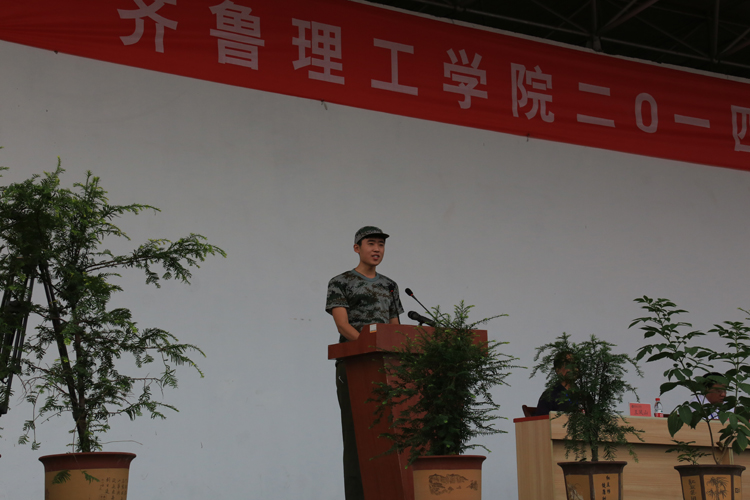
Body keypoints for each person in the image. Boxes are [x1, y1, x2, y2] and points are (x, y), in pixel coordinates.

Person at [325, 226, 404, 500]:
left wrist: (394, 351)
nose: (377, 249)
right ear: (357, 248)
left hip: (386, 366)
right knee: (357, 434)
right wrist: (368, 348)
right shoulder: (341, 282)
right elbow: (342, 324)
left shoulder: (389, 285)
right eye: (371, 243)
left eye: (381, 244)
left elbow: (395, 327)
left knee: (389, 432)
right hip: (355, 364)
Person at [535, 351, 577, 416]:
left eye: (574, 363)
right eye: (568, 363)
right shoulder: (549, 396)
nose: (572, 367)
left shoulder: (584, 395)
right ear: (557, 370)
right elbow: (541, 421)